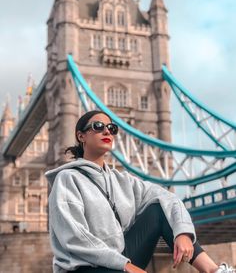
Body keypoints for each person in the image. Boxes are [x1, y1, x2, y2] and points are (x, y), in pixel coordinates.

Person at [45, 110, 235, 273]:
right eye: (98, 126)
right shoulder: (67, 179)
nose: (106, 131)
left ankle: (213, 270)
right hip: (86, 268)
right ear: (81, 136)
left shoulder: (123, 180)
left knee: (159, 210)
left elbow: (168, 198)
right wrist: (125, 265)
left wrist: (182, 233)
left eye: (112, 129)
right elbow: (75, 238)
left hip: (120, 262)